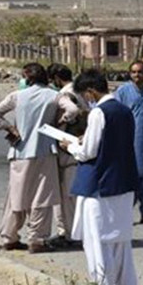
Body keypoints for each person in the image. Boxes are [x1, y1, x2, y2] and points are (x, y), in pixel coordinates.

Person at [61, 69, 139, 285]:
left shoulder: (98, 113)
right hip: (123, 184)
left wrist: (70, 146)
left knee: (97, 242)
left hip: (100, 186)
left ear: (91, 92)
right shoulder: (125, 111)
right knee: (120, 241)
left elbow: (88, 152)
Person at [0, 63, 60, 253]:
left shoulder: (17, 96)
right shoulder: (54, 96)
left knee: (16, 196)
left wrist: (9, 128)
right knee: (42, 197)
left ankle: (10, 237)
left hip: (20, 152)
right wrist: (59, 125)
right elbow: (72, 110)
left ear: (27, 78)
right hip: (45, 151)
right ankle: (37, 240)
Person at [114, 60, 143, 224]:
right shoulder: (122, 91)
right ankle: (125, 215)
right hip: (129, 142)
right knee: (130, 177)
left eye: (140, 72)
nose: (137, 75)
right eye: (133, 72)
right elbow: (117, 116)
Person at [48, 63, 86, 248]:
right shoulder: (79, 91)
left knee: (68, 196)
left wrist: (60, 123)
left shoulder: (65, 94)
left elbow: (73, 112)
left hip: (67, 150)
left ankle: (70, 234)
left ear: (56, 78)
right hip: (78, 149)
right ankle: (70, 232)